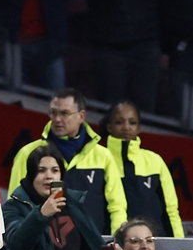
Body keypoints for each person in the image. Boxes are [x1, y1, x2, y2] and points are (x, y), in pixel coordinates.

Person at [8, 87, 128, 235]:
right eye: (53, 113)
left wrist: (118, 237)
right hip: (45, 248)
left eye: (64, 113)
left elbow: (117, 205)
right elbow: (15, 203)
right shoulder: (28, 153)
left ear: (81, 116)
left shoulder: (103, 156)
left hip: (92, 248)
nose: (57, 119)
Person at [99, 101, 188, 250]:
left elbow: (171, 212)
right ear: (109, 127)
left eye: (132, 122)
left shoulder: (155, 161)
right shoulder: (98, 160)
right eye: (119, 122)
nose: (126, 127)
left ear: (139, 128)